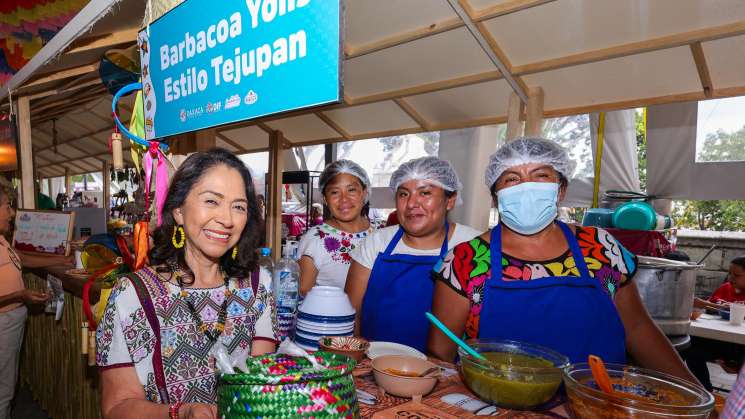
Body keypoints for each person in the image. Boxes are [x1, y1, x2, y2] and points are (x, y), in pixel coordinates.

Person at [427, 138, 698, 385]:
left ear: (561, 189)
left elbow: (638, 329)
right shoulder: (465, 260)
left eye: (541, 175)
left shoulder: (601, 248)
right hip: (498, 402)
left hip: (598, 402)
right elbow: (441, 354)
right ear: (496, 196)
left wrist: (694, 394)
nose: (526, 188)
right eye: (511, 179)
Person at [97, 149, 277, 419]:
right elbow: (117, 407)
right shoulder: (133, 295)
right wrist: (181, 413)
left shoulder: (255, 286)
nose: (227, 219)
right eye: (211, 201)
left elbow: (262, 390)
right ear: (179, 210)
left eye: (238, 206)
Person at [345, 156, 480, 352]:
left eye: (425, 193)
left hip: (445, 370)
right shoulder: (376, 243)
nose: (411, 204)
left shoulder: (471, 246)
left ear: (450, 200)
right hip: (374, 362)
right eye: (403, 194)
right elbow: (350, 313)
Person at [0, 186, 72, 419]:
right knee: (3, 389)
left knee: (7, 383)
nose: (11, 213)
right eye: (6, 206)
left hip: (11, 321)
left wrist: (61, 258)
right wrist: (20, 296)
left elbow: (20, 258)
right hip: (3, 322)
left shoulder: (1, 239)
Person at [297, 160, 373, 295]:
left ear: (364, 192)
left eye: (351, 190)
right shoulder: (316, 239)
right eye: (334, 192)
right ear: (325, 199)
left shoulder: (381, 233)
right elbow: (304, 292)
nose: (344, 199)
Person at [685, 257, 745, 391]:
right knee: (690, 348)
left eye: (737, 275)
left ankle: (738, 397)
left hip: (740, 346)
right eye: (730, 273)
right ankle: (705, 390)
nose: (731, 278)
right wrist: (703, 305)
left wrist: (707, 303)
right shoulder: (725, 288)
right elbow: (710, 310)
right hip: (720, 341)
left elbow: (734, 310)